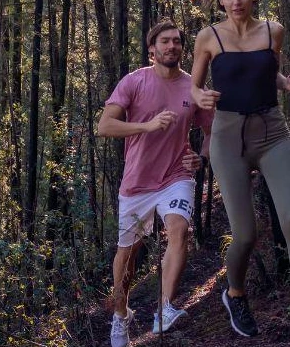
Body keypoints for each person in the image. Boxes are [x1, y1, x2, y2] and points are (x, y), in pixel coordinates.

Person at [189, 0, 290, 346]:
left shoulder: (273, 31)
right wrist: (200, 97)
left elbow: (270, 74)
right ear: (220, 0)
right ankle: (235, 293)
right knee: (246, 234)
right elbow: (193, 87)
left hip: (272, 133)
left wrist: (289, 84)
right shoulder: (208, 37)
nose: (236, 1)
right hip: (228, 138)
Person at [97, 20, 214, 347]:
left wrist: (201, 158)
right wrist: (147, 126)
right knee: (127, 256)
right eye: (165, 41)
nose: (172, 46)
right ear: (152, 49)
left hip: (176, 176)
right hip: (137, 183)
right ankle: (121, 316)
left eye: (177, 41)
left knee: (180, 230)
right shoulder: (134, 81)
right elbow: (104, 126)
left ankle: (164, 308)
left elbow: (210, 132)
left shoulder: (193, 87)